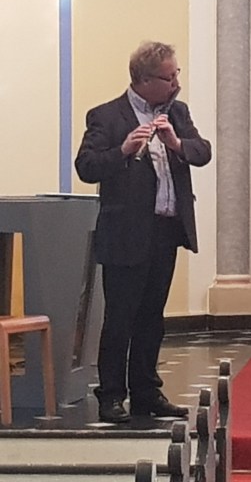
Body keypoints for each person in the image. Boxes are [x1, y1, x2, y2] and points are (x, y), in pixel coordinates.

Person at [75, 41, 212, 423]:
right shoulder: (106, 115)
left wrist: (176, 143)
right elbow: (86, 166)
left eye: (176, 74)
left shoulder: (176, 112)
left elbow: (202, 152)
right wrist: (122, 150)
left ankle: (146, 392)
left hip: (165, 229)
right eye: (169, 78)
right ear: (144, 80)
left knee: (153, 317)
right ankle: (111, 395)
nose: (176, 83)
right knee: (121, 318)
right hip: (125, 232)